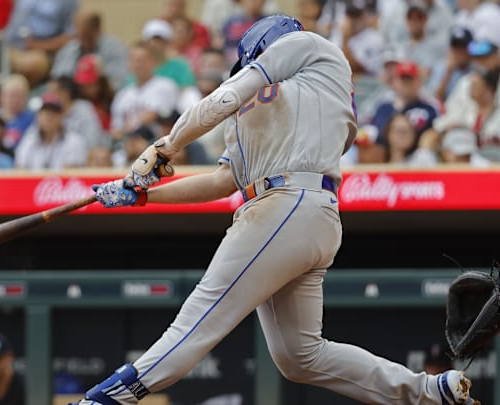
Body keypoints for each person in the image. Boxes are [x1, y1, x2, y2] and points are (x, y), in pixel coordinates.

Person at [74, 14, 477, 405]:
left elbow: (226, 95)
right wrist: (143, 194)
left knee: (197, 322)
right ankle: (430, 393)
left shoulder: (308, 47)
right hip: (299, 213)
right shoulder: (262, 115)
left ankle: (106, 400)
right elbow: (221, 181)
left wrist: (164, 146)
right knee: (300, 357)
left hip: (287, 203)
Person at [14, 93, 88, 170]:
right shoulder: (29, 140)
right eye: (45, 112)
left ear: (62, 116)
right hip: (33, 181)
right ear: (37, 116)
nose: (49, 117)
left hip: (62, 181)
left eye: (54, 113)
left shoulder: (74, 141)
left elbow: (71, 174)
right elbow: (20, 170)